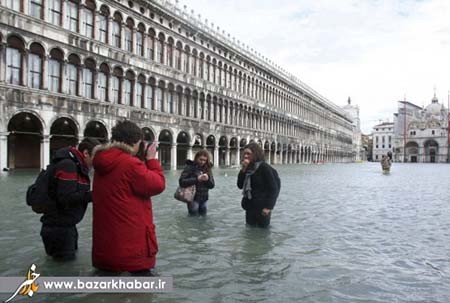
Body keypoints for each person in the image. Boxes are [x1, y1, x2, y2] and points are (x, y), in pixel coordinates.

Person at [91, 121, 165, 276]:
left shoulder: (102, 161)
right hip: (131, 251)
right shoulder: (130, 164)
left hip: (106, 249)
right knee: (141, 294)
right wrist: (151, 159)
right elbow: (157, 184)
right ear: (135, 142)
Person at [40, 137, 100, 261]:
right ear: (86, 153)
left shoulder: (75, 165)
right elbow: (65, 198)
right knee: (63, 271)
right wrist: (95, 195)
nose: (98, 161)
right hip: (58, 230)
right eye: (96, 156)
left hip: (65, 227)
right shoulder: (68, 165)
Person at [237, 142, 280, 228]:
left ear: (255, 154)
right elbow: (240, 185)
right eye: (244, 153)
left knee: (263, 233)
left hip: (263, 208)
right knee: (249, 231)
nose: (245, 156)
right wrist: (243, 170)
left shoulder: (264, 168)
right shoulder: (247, 168)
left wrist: (268, 207)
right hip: (250, 206)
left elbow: (274, 188)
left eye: (248, 154)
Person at [179, 150, 215, 216]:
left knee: (203, 217)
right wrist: (197, 179)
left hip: (204, 198)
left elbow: (212, 185)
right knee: (193, 218)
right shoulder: (189, 167)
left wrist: (207, 180)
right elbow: (181, 182)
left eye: (204, 160)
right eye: (200, 159)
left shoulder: (208, 169)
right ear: (196, 158)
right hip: (193, 198)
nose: (202, 162)